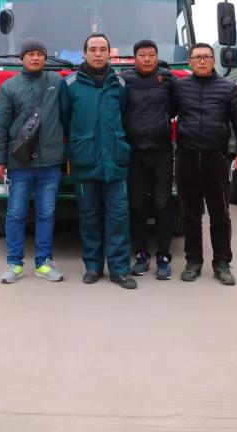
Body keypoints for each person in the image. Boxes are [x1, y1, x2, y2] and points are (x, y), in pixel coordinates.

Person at [60, 33, 136, 289]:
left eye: (102, 49)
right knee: (89, 216)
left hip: (115, 161)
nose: (97, 53)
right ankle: (93, 267)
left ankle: (119, 270)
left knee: (119, 217)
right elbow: (65, 118)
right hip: (86, 161)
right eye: (92, 49)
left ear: (109, 53)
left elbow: (124, 115)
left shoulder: (120, 84)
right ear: (84, 53)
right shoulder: (70, 84)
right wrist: (80, 143)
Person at [173, 42, 237, 286]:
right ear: (190, 62)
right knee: (190, 215)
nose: (202, 61)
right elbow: (161, 111)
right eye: (197, 57)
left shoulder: (228, 88)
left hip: (216, 158)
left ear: (213, 60)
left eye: (206, 57)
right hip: (186, 158)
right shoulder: (179, 88)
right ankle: (193, 262)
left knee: (220, 215)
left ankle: (222, 263)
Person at [0, 37, 66, 284]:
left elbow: (68, 114)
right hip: (19, 163)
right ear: (21, 58)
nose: (35, 58)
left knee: (47, 213)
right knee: (16, 213)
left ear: (45, 58)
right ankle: (14, 263)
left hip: (50, 163)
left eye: (40, 54)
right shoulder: (9, 87)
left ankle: (43, 262)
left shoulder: (56, 82)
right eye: (30, 54)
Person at [120, 39, 176, 280]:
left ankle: (163, 256)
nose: (147, 59)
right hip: (134, 153)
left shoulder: (168, 79)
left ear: (157, 56)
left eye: (151, 55)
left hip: (162, 151)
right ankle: (141, 254)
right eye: (142, 55)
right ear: (134, 58)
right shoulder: (125, 80)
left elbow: (176, 107)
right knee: (137, 204)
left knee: (163, 203)